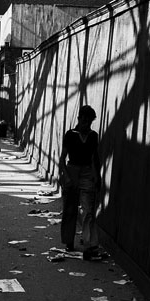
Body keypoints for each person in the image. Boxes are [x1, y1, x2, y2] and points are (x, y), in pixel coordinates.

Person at [58, 105, 103, 261]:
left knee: (87, 210)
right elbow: (62, 158)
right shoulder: (70, 135)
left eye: (89, 122)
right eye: (84, 121)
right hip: (72, 171)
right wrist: (67, 177)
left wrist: (96, 176)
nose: (86, 125)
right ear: (79, 119)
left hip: (86, 173)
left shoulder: (93, 136)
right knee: (70, 209)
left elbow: (93, 159)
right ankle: (69, 240)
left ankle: (89, 244)